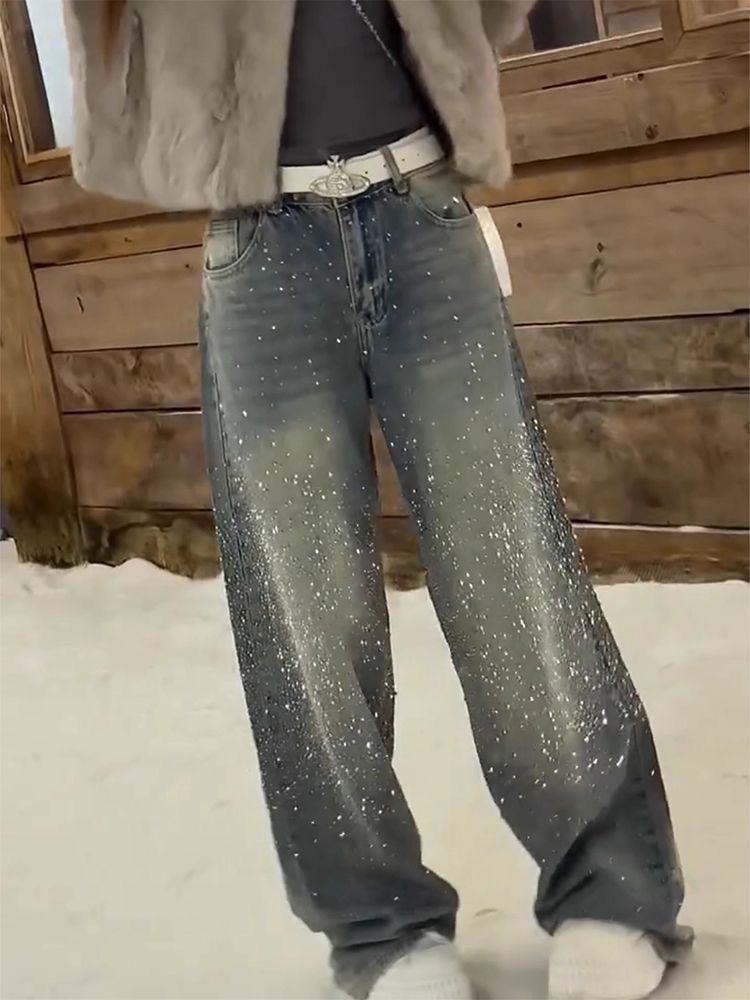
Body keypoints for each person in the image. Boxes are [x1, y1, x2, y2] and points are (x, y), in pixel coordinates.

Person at [63, 2, 691, 998]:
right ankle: (377, 928)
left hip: (421, 205)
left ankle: (612, 892)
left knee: (510, 568)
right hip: (258, 238)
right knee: (306, 613)